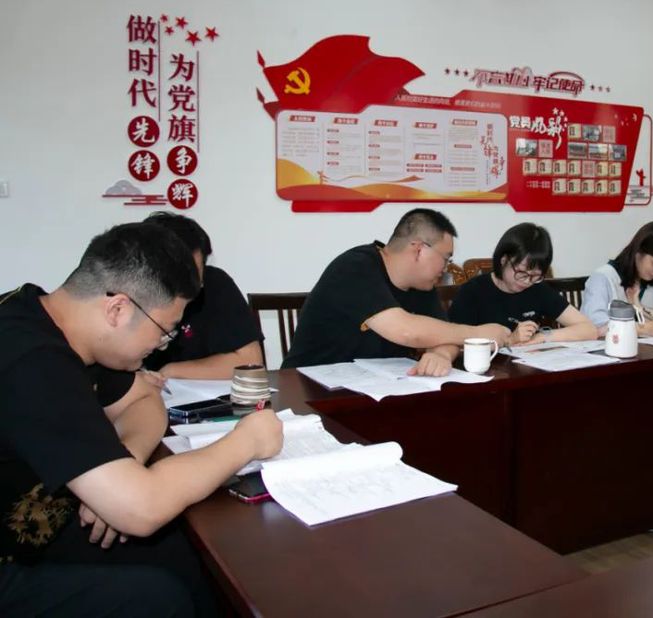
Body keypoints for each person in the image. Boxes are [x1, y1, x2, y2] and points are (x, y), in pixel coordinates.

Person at [0, 222, 283, 616]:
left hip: (40, 523)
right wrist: (247, 441)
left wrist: (125, 461)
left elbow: (145, 399)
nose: (160, 346)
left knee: (186, 554)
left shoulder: (59, 324)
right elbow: (142, 508)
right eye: (165, 331)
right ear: (117, 309)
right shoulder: (30, 360)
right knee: (157, 596)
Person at [282, 208, 510, 374]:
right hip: (308, 387)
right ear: (419, 249)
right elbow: (406, 330)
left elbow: (443, 332)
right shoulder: (356, 267)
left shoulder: (422, 284)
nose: (445, 268)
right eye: (445, 258)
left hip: (376, 388)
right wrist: (477, 333)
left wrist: (441, 354)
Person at [141, 211, 264, 380]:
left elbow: (250, 362)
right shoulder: (127, 295)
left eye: (193, 272)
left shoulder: (215, 283)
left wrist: (171, 371)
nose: (186, 283)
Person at [448, 223, 597, 345]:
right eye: (521, 273)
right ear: (504, 260)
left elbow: (588, 329)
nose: (527, 281)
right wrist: (509, 340)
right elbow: (455, 344)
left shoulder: (538, 289)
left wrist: (542, 336)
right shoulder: (473, 291)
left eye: (535, 276)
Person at [581, 221, 653, 337]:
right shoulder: (603, 278)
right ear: (638, 251)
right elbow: (594, 327)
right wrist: (645, 329)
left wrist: (640, 308)